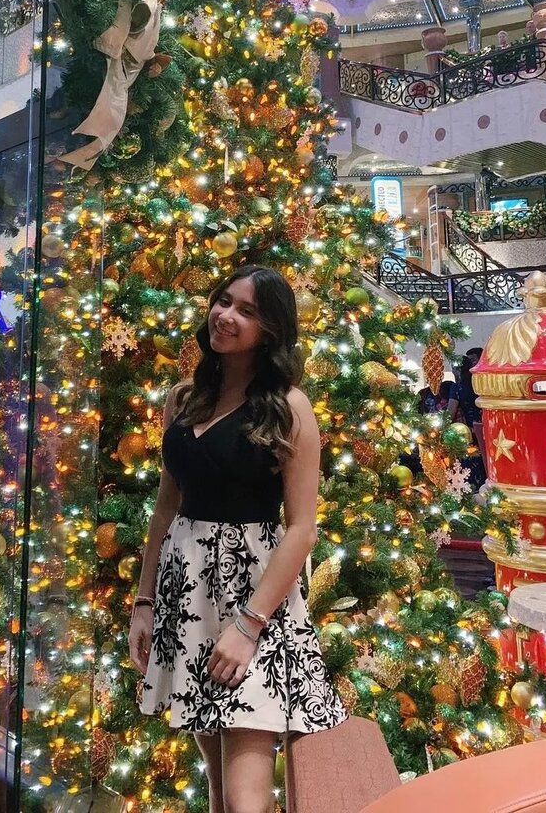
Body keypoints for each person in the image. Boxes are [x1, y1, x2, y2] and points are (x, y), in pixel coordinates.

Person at [130, 266, 345, 812]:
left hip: (256, 598)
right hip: (187, 596)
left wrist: (249, 626)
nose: (226, 316)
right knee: (218, 787)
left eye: (246, 310)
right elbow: (166, 507)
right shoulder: (184, 399)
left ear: (270, 329)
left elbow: (302, 527)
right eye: (223, 301)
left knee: (245, 798)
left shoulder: (289, 407)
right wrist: (143, 601)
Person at [447, 347, 486, 491]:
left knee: (470, 463)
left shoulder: (457, 387)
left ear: (457, 369)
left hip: (468, 432)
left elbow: (450, 413)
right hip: (486, 429)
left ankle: (472, 490)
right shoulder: (481, 383)